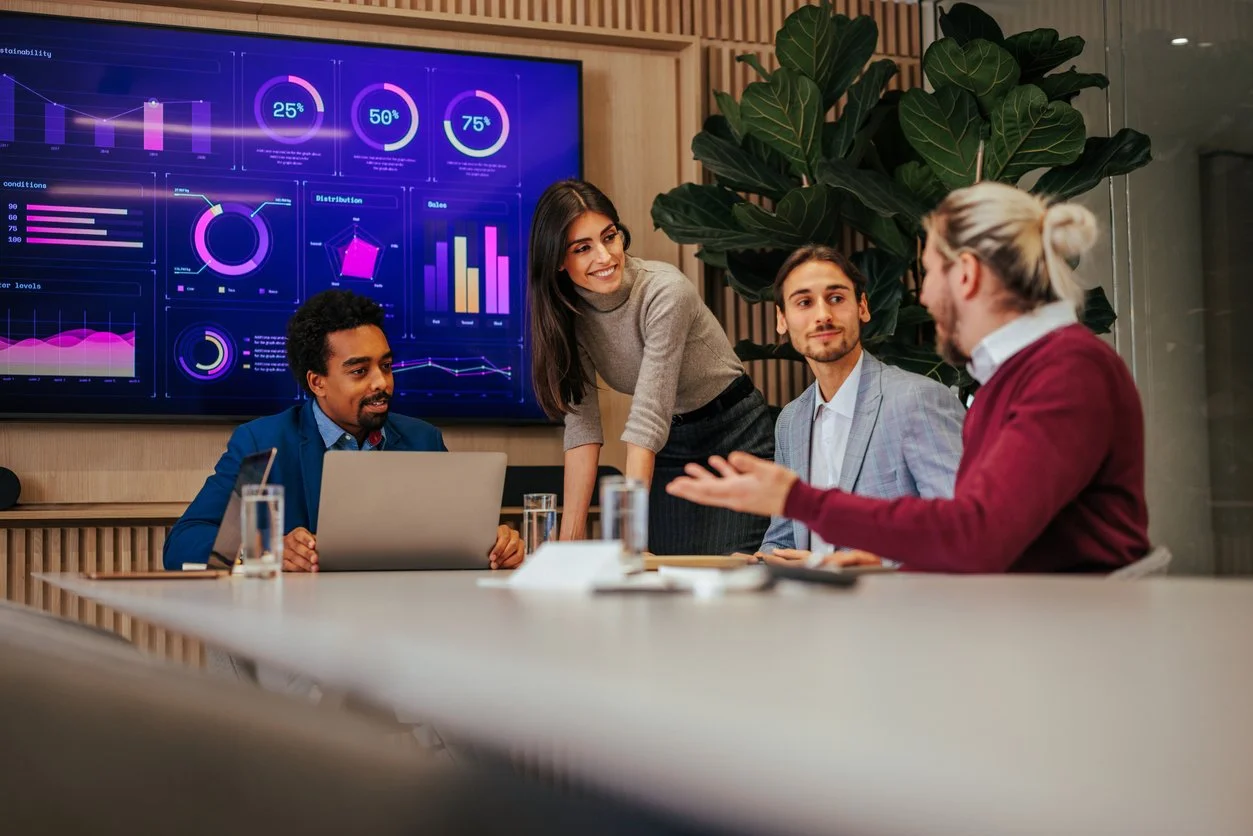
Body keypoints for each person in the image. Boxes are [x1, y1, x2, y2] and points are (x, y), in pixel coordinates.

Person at [666, 182, 1150, 573]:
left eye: (929, 272)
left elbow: (977, 534)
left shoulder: (1065, 369)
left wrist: (799, 500)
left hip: (1070, 643)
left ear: (966, 275)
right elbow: (977, 535)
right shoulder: (1019, 375)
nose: (926, 295)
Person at [164, 290, 523, 572]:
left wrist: (497, 543)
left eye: (385, 365)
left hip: (405, 624)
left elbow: (459, 537)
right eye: (359, 371)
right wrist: (267, 550)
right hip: (304, 629)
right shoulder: (263, 442)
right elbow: (183, 543)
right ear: (317, 382)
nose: (382, 383)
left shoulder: (422, 440)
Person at [527, 179, 774, 555]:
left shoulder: (664, 291)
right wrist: (566, 545)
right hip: (670, 445)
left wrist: (628, 539)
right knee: (660, 579)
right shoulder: (569, 316)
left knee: (724, 574)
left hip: (735, 435)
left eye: (610, 237)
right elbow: (582, 427)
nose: (605, 257)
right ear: (559, 260)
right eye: (583, 248)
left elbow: (648, 414)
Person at [758, 245, 965, 565]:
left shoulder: (918, 401)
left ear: (863, 307)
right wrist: (760, 561)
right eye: (804, 302)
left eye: (836, 298)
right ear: (782, 320)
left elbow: (963, 534)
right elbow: (783, 537)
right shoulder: (790, 421)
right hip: (809, 608)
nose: (822, 315)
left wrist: (878, 565)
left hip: (896, 608)